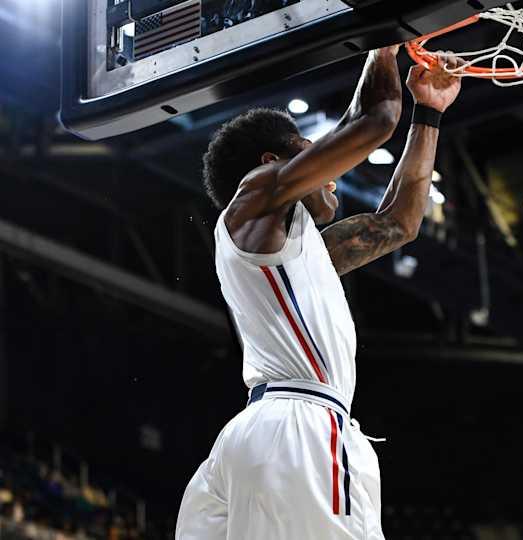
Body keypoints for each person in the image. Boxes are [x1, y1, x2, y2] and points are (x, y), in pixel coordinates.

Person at [175, 45, 462, 539]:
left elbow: (398, 223)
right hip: (300, 429)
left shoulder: (295, 249)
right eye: (312, 151)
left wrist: (429, 114)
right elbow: (373, 121)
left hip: (254, 438)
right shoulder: (254, 199)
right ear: (271, 163)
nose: (334, 173)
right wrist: (384, 41)